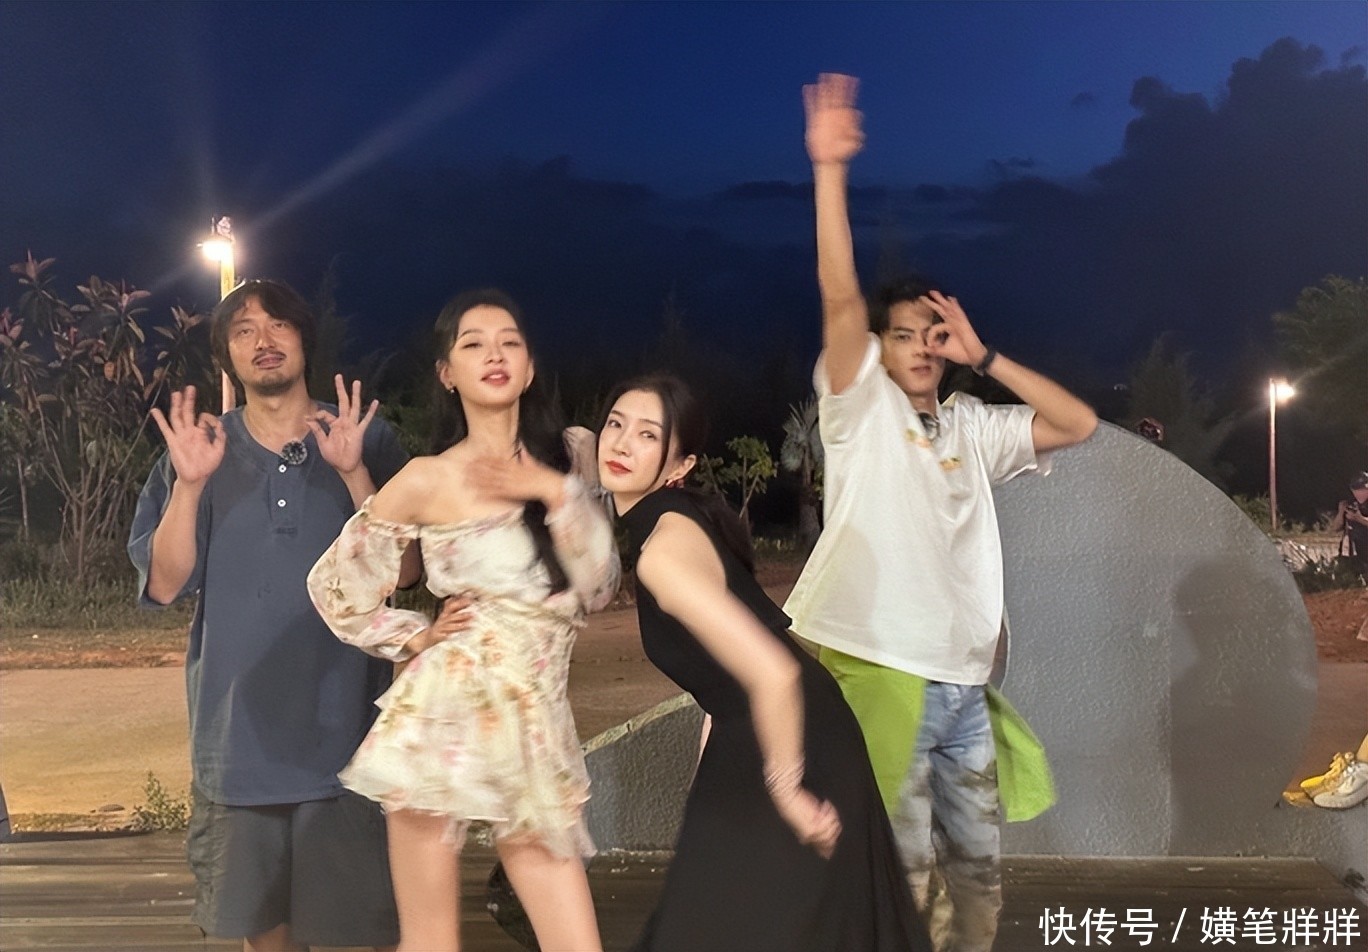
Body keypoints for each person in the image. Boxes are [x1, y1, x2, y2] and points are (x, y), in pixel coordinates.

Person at [784, 74, 1098, 952]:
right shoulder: (859, 406)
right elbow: (840, 298)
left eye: (934, 332)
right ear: (877, 349)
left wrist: (985, 355)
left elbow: (1076, 424)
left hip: (964, 685)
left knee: (978, 877)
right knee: (902, 871)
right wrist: (829, 171)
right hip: (888, 668)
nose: (921, 346)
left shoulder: (972, 424)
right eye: (904, 333)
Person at [307, 288, 619, 952]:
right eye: (473, 345)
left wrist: (553, 491)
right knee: (430, 942)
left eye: (509, 342)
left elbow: (599, 587)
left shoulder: (570, 459)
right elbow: (335, 587)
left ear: (529, 368)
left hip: (534, 723)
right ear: (448, 374)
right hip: (439, 717)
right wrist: (412, 635)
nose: (494, 355)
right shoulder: (427, 478)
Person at [128, 279, 416, 951]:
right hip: (239, 747)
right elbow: (165, 584)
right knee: (266, 941)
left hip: (349, 743)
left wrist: (354, 474)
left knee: (355, 935)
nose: (263, 340)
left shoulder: (364, 438)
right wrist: (190, 485)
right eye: (243, 331)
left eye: (278, 324)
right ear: (226, 357)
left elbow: (406, 572)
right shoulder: (200, 449)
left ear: (304, 339)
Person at [598, 373, 930, 952]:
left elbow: (772, 671)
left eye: (648, 434)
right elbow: (727, 675)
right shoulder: (677, 522)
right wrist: (713, 770)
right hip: (772, 730)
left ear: (680, 465)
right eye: (615, 424)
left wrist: (787, 790)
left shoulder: (662, 553)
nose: (622, 443)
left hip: (793, 738)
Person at [1330, 472, 1368, 578]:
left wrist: (1359, 519)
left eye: (1363, 489)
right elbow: (1335, 528)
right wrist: (1341, 512)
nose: (1359, 493)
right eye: (1356, 490)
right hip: (1352, 552)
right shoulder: (1351, 504)